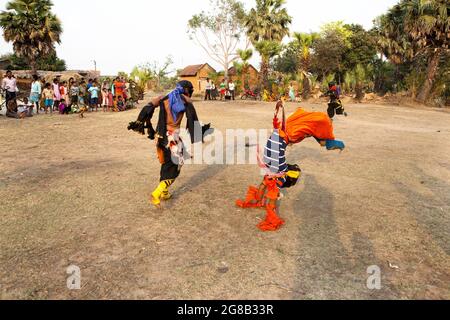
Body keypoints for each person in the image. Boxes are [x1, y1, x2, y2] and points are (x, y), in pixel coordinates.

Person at [236, 102, 345, 231]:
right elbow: (324, 143)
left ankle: (258, 201)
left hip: (271, 145)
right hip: (277, 148)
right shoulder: (310, 127)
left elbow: (316, 137)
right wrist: (339, 144)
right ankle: (271, 217)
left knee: (269, 177)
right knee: (276, 183)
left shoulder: (299, 123)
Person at [128, 80, 213, 208]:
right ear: (186, 90)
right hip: (172, 137)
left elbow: (147, 108)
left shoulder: (163, 97)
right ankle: (157, 193)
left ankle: (165, 192)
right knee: (175, 165)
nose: (190, 93)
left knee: (167, 163)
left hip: (160, 136)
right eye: (190, 90)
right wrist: (199, 132)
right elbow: (193, 119)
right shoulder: (185, 100)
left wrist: (140, 122)